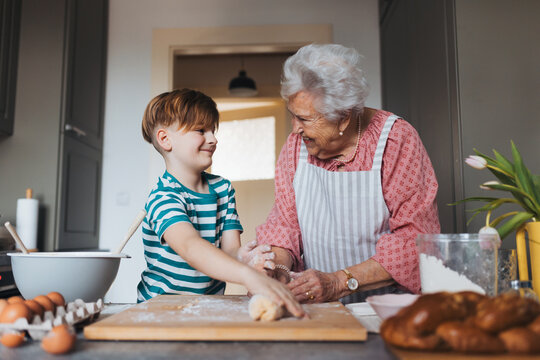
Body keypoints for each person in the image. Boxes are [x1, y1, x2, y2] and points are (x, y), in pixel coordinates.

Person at [256, 44, 441, 304]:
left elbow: (415, 241)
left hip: (385, 308)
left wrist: (338, 282)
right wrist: (279, 270)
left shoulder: (395, 141)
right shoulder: (296, 145)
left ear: (343, 118)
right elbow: (285, 224)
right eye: (292, 116)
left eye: (305, 119)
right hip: (319, 307)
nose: (295, 129)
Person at [137, 89, 304, 317]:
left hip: (208, 307)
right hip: (161, 311)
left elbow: (230, 250)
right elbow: (190, 246)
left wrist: (244, 259)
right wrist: (248, 276)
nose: (213, 139)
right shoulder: (163, 196)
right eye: (200, 130)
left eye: (213, 131)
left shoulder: (222, 189)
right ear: (165, 139)